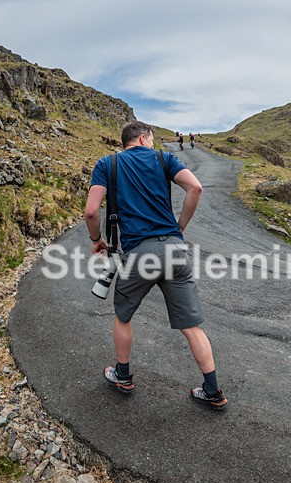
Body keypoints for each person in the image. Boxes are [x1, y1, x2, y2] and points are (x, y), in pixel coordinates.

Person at [85, 120, 228, 410]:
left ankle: (122, 376)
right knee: (191, 326)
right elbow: (195, 188)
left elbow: (91, 211)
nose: (153, 144)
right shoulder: (164, 158)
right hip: (175, 249)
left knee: (123, 316)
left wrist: (97, 239)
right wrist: (180, 228)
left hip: (139, 253)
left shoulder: (107, 164)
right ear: (141, 138)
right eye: (151, 139)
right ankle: (212, 391)